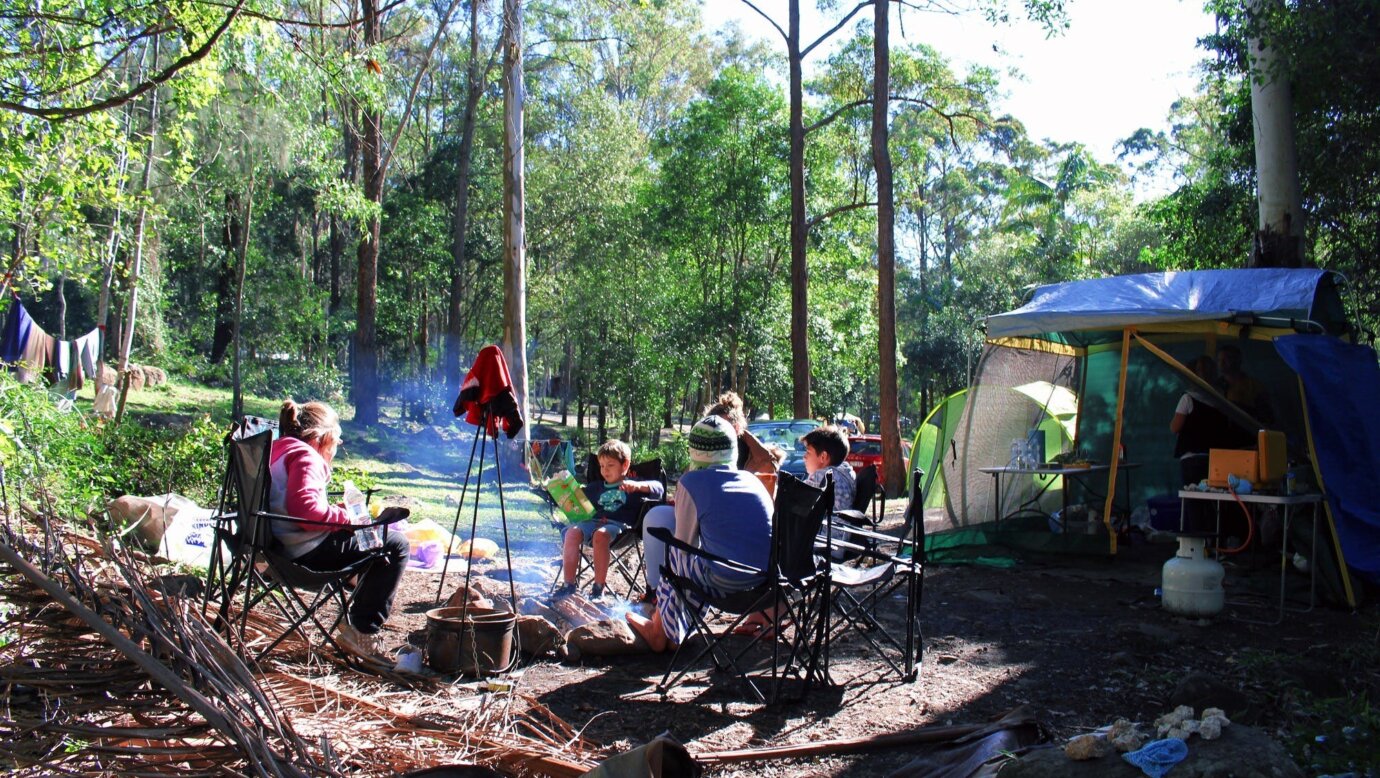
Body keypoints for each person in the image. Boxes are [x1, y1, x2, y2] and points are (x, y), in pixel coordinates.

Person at [268, 400, 409, 657]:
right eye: (337, 442)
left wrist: (332, 511)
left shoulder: (277, 449)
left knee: (371, 540)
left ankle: (361, 597)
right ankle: (362, 632)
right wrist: (346, 519)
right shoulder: (307, 456)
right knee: (396, 543)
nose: (336, 449)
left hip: (275, 547)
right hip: (307, 551)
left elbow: (292, 502)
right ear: (326, 437)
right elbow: (304, 511)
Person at [627, 416, 774, 652]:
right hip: (765, 583)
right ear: (733, 450)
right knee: (699, 558)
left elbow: (685, 542)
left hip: (725, 584)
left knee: (675, 553)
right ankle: (676, 629)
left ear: (694, 451)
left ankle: (661, 631)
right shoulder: (752, 480)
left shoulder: (692, 481)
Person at [641, 390, 778, 597]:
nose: (716, 431)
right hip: (762, 575)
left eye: (722, 427)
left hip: (723, 565)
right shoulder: (702, 469)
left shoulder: (753, 457)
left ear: (737, 428)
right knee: (657, 517)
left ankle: (663, 615)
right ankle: (654, 590)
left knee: (677, 548)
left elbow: (684, 546)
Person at [554, 439, 664, 600]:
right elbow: (576, 501)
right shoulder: (595, 487)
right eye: (602, 466)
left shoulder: (632, 485)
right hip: (591, 523)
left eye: (610, 465)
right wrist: (560, 486)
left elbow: (659, 488)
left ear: (625, 465)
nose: (605, 470)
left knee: (601, 535)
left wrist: (638, 486)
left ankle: (598, 589)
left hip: (619, 528)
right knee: (571, 533)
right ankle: (568, 585)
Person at [802, 425, 856, 512]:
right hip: (842, 524)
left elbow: (792, 496)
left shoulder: (823, 477)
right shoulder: (844, 472)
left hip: (827, 524)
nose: (804, 457)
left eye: (808, 452)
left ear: (823, 456)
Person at [1217, 344, 1273, 424]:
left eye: (1227, 358)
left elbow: (1266, 418)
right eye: (1219, 359)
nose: (1221, 363)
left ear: (1237, 360)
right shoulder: (1215, 385)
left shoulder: (1254, 386)